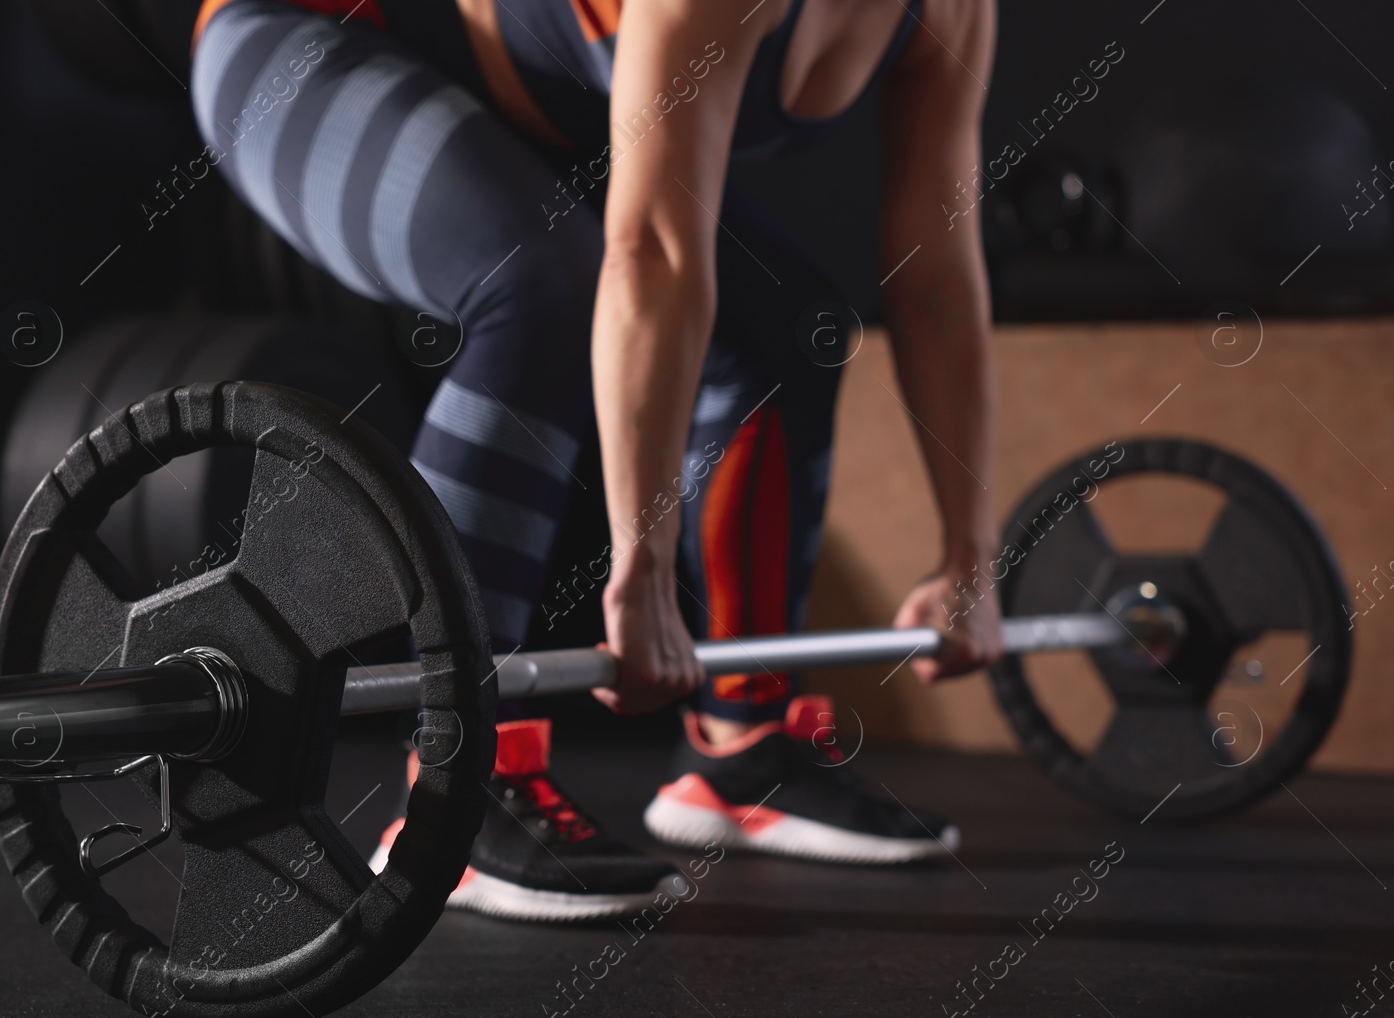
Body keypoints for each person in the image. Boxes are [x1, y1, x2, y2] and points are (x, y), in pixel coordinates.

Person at [191, 0, 1004, 922]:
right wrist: (641, 563)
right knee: (539, 286)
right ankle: (453, 789)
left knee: (790, 326)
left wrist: (970, 559)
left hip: (523, 114)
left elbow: (938, 277)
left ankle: (743, 748)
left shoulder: (955, 13)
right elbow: (652, 253)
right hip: (307, 49)